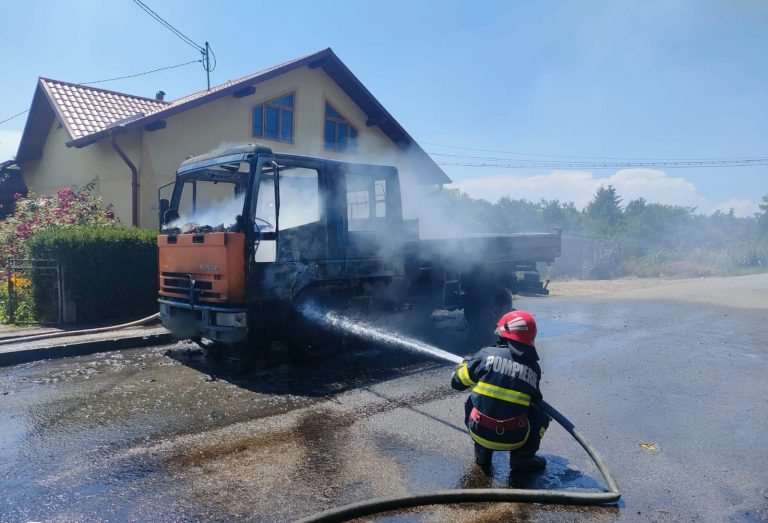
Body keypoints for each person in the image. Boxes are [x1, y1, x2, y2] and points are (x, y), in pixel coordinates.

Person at [451, 310, 549, 473]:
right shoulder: (534, 368)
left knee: (474, 400)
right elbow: (535, 401)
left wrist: (465, 364)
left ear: (504, 333)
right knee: (541, 414)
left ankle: (483, 453)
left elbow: (457, 382)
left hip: (480, 432)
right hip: (515, 437)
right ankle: (522, 457)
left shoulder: (485, 355)